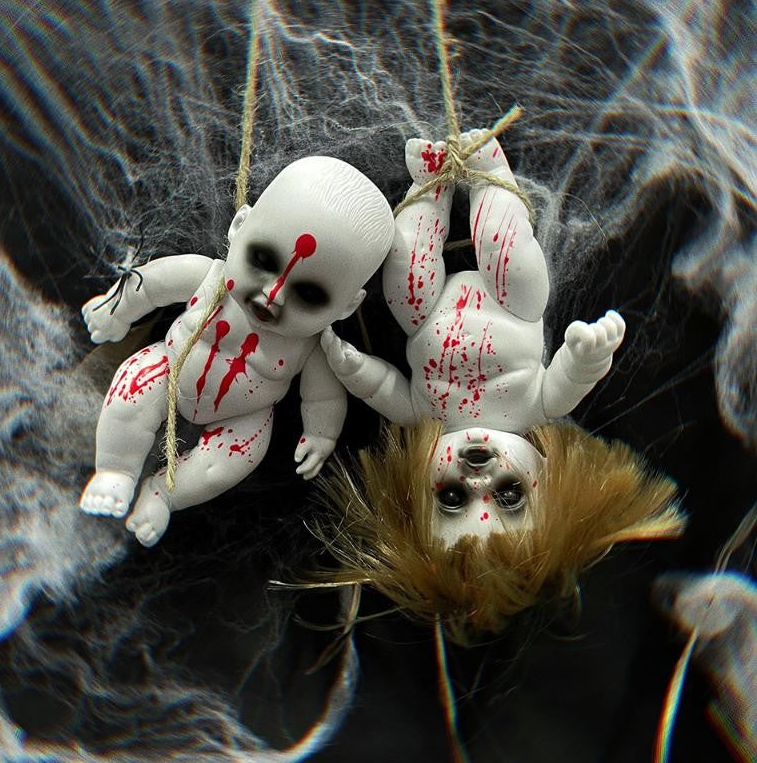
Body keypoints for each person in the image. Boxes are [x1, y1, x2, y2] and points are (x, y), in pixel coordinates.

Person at [317, 132, 684, 643]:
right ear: (549, 483)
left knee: (406, 275)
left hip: (427, 315)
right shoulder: (536, 407)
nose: (477, 477)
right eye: (509, 494)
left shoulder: (423, 416)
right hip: (511, 303)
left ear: (414, 493)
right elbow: (570, 378)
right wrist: (588, 353)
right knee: (508, 253)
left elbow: (383, 389)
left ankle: (431, 183)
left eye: (451, 497)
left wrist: (350, 367)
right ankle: (490, 171)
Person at [80, 156, 395, 546]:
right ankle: (116, 470)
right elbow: (149, 285)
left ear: (347, 306)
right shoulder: (207, 278)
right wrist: (115, 311)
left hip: (244, 416)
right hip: (169, 368)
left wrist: (321, 434)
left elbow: (324, 396)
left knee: (232, 460)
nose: (273, 295)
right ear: (239, 225)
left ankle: (164, 494)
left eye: (309, 294)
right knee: (134, 391)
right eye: (262, 260)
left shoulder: (312, 344)